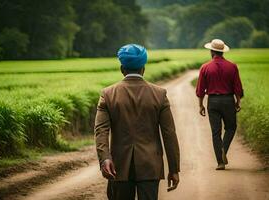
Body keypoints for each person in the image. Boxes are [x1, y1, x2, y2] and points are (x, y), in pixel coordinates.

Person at [94, 44, 180, 200]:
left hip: (118, 166)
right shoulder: (159, 94)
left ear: (122, 69)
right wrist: (174, 169)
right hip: (150, 165)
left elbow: (101, 131)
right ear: (143, 69)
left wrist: (105, 158)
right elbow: (169, 134)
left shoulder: (107, 94)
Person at [196, 39, 243, 170]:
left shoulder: (205, 67)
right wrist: (238, 101)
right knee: (231, 128)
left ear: (212, 51)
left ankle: (220, 163)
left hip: (213, 102)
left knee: (215, 132)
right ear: (222, 52)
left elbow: (200, 89)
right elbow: (237, 87)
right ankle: (224, 149)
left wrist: (200, 105)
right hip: (228, 100)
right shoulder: (232, 66)